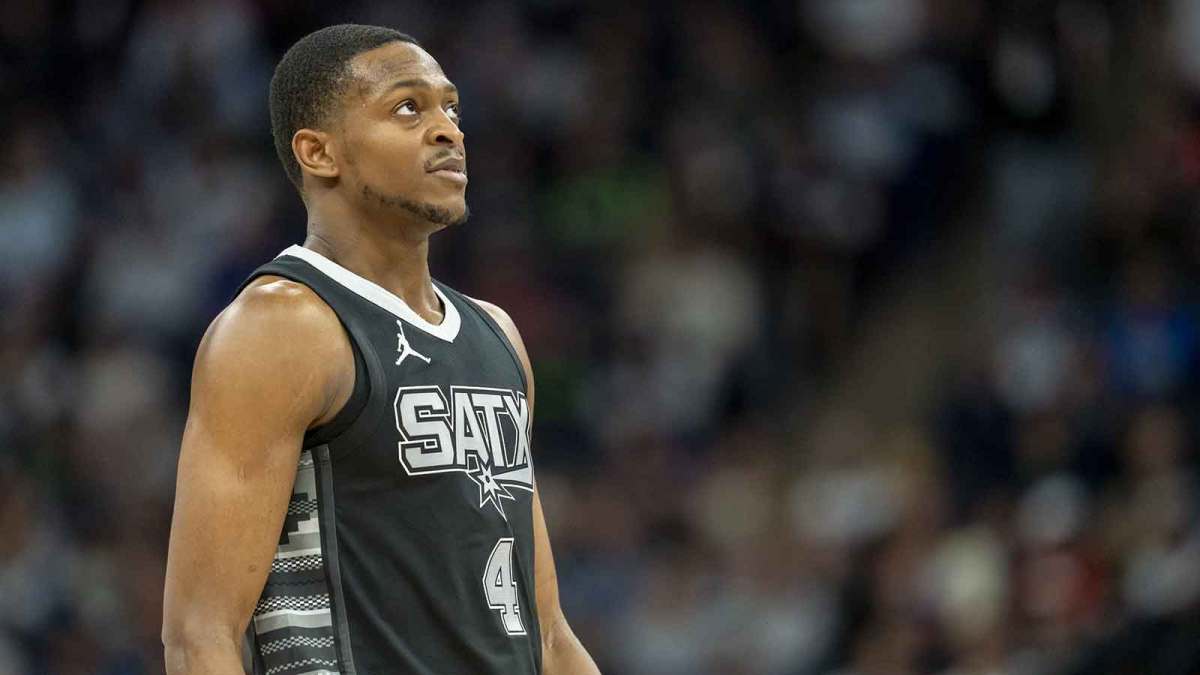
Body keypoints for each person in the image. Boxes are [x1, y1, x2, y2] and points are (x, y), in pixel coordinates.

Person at [162, 24, 600, 675]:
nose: (449, 130)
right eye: (408, 108)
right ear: (319, 152)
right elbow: (200, 633)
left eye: (451, 107)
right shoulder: (281, 326)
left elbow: (548, 632)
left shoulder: (496, 333)